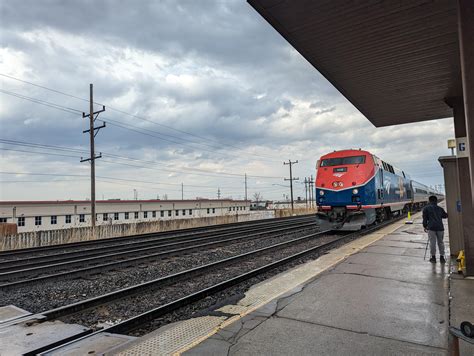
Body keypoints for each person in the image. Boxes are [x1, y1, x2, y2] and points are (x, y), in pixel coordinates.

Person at [422, 195, 448, 263]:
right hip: (440, 228)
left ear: (429, 201)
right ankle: (442, 258)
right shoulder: (440, 208)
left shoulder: (426, 209)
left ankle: (433, 258)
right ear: (436, 201)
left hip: (431, 228)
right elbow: (445, 216)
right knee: (441, 242)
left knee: (432, 243)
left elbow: (425, 219)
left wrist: (425, 226)